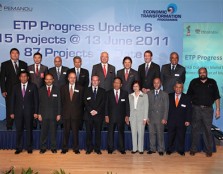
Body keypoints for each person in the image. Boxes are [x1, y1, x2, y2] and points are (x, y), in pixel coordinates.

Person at [187, 67, 220, 157]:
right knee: (195, 129)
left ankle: (208, 150)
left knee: (207, 130)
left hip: (208, 110)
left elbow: (217, 97)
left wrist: (218, 110)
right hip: (196, 109)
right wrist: (189, 110)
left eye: (204, 72)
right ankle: (193, 149)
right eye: (201, 73)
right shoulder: (194, 82)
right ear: (199, 74)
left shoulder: (212, 82)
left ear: (206, 73)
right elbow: (189, 97)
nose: (202, 74)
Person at [10, 71, 38, 154]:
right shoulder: (15, 87)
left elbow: (36, 101)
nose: (23, 78)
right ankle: (19, 148)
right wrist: (11, 112)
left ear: (28, 77)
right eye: (21, 76)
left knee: (29, 130)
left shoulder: (33, 86)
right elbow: (12, 101)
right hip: (18, 113)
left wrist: (36, 112)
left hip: (29, 112)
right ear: (19, 78)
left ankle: (29, 147)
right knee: (19, 130)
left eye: (25, 76)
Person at [0, 48, 28, 130]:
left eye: (16, 53)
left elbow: (26, 78)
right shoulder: (5, 64)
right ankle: (9, 125)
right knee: (9, 107)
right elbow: (2, 79)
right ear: (10, 54)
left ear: (19, 54)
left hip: (21, 90)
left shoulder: (24, 64)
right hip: (9, 90)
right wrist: (3, 90)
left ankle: (21, 124)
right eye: (13, 53)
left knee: (21, 107)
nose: (15, 54)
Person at [60, 72, 84, 154]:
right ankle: (64, 148)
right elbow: (61, 102)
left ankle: (76, 148)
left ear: (76, 79)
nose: (72, 79)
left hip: (76, 114)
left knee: (75, 132)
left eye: (74, 77)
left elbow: (82, 102)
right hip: (66, 114)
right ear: (68, 78)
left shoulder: (80, 88)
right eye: (71, 77)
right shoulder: (63, 88)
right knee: (65, 132)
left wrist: (80, 114)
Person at [105, 77, 130, 154]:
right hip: (111, 117)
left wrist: (127, 115)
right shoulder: (108, 93)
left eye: (118, 83)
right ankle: (110, 148)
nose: (116, 84)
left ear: (121, 84)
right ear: (113, 84)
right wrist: (106, 115)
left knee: (121, 133)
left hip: (121, 117)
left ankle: (122, 148)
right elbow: (106, 105)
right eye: (115, 82)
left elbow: (127, 105)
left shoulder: (125, 93)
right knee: (110, 133)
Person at [166, 81, 191, 156]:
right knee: (170, 136)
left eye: (180, 87)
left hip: (182, 121)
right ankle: (170, 149)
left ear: (182, 88)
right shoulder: (169, 96)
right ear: (174, 88)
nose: (178, 89)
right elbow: (165, 108)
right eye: (176, 87)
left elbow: (189, 110)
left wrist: (188, 120)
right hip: (171, 120)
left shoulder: (186, 97)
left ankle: (181, 150)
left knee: (181, 136)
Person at [38, 74, 61, 154]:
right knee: (43, 133)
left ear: (53, 80)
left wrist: (59, 114)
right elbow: (39, 103)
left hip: (54, 115)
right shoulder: (41, 90)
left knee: (53, 132)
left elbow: (59, 103)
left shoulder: (57, 89)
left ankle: (53, 148)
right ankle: (43, 148)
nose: (48, 81)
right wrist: (39, 113)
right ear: (45, 80)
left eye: (50, 79)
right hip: (43, 115)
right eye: (47, 79)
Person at [84, 75, 106, 154]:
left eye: (96, 80)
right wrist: (91, 110)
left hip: (98, 115)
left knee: (98, 133)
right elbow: (85, 102)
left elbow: (103, 103)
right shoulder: (86, 90)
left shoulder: (103, 91)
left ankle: (97, 149)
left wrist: (96, 111)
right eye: (93, 80)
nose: (95, 82)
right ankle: (89, 148)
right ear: (91, 81)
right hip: (88, 115)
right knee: (89, 133)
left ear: (99, 82)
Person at [147, 78, 169, 156]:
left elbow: (166, 107)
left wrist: (165, 118)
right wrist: (147, 117)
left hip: (160, 118)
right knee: (151, 134)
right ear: (153, 84)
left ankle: (161, 149)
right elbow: (147, 106)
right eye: (155, 83)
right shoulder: (149, 93)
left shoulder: (165, 94)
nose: (156, 84)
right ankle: (152, 148)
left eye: (158, 83)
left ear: (161, 84)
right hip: (151, 117)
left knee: (160, 134)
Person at [28, 52, 48, 129]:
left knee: (41, 107)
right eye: (35, 57)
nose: (37, 59)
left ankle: (41, 123)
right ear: (33, 58)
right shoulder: (29, 68)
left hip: (42, 92)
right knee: (33, 107)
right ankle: (33, 123)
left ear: (41, 59)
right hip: (31, 91)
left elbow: (46, 80)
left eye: (38, 57)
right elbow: (27, 80)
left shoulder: (45, 68)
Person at [129, 81, 148, 154]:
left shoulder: (144, 95)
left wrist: (145, 118)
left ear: (139, 87)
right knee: (133, 133)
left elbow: (146, 107)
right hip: (132, 117)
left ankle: (140, 149)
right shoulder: (130, 95)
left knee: (141, 133)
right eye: (134, 86)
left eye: (136, 86)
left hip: (141, 117)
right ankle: (134, 149)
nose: (135, 88)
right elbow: (129, 107)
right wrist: (129, 117)